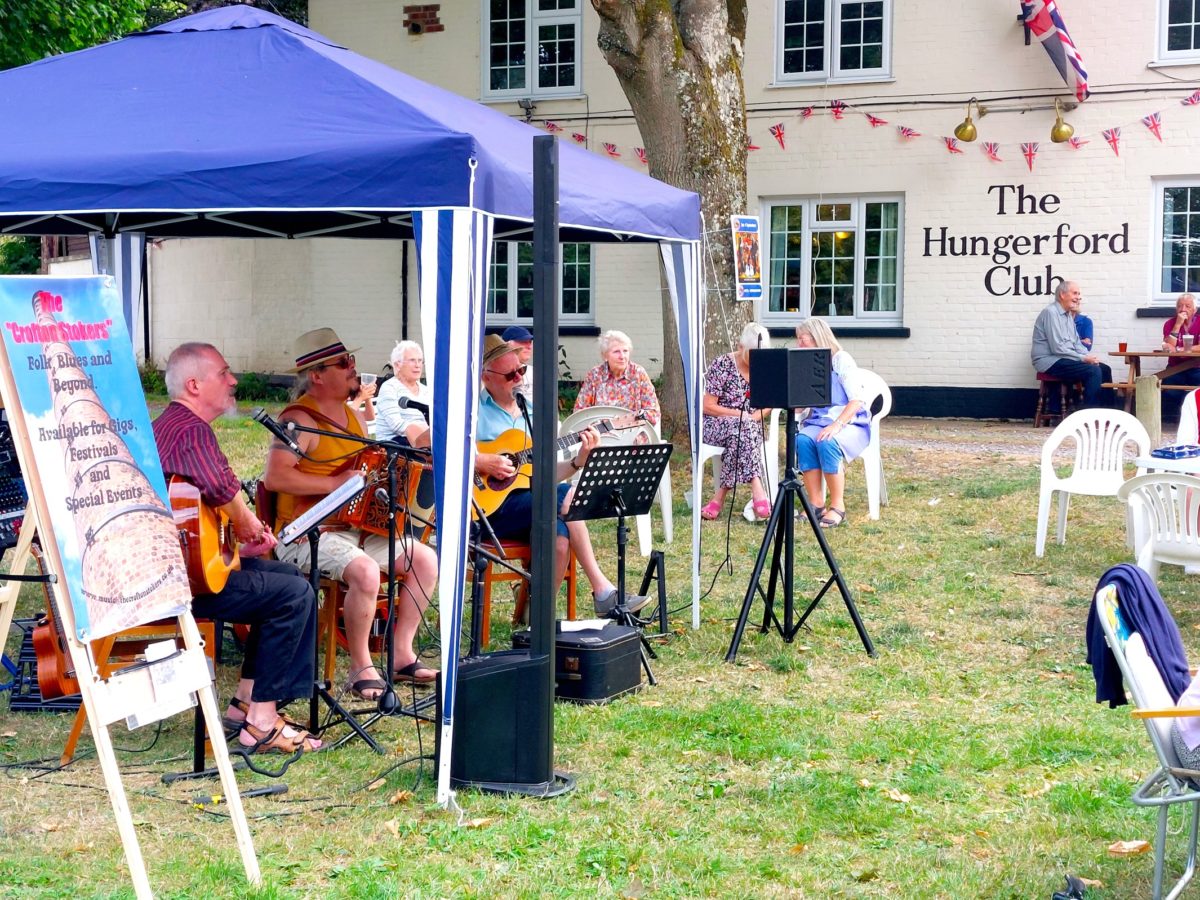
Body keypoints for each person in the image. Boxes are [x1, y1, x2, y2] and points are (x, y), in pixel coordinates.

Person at [153, 342, 322, 754]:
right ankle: (261, 723)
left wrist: (230, 551)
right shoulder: (189, 429)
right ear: (194, 385)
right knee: (293, 594)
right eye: (224, 373)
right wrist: (250, 529)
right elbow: (220, 490)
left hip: (184, 571)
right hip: (179, 588)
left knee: (284, 578)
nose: (233, 381)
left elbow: (190, 518)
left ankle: (245, 700)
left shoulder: (171, 425)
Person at [264, 328, 438, 701]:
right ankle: (361, 666)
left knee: (423, 558)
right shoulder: (296, 419)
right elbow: (275, 476)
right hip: (304, 533)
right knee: (364, 570)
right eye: (344, 363)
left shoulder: (353, 416)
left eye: (351, 360)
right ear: (316, 375)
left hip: (354, 529)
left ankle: (402, 654)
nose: (353, 368)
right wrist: (336, 484)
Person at [475, 334, 647, 616]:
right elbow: (438, 449)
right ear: (486, 378)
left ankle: (537, 620)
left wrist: (579, 461)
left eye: (521, 370)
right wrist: (482, 461)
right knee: (566, 496)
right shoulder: (472, 412)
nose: (519, 378)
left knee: (560, 540)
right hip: (490, 509)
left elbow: (545, 475)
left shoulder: (532, 412)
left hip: (532, 502)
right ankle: (602, 591)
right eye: (510, 374)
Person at [793, 318, 871, 529]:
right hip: (820, 421)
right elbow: (804, 404)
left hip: (850, 422)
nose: (799, 344)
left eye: (803, 339)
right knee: (803, 440)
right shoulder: (810, 365)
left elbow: (857, 400)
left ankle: (838, 506)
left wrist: (836, 425)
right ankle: (816, 503)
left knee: (827, 442)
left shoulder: (840, 359)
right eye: (798, 339)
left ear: (817, 337)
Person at [699, 322, 773, 521]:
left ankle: (719, 496)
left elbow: (768, 404)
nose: (756, 361)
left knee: (741, 433)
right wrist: (738, 416)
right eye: (752, 355)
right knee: (739, 429)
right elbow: (708, 406)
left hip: (750, 426)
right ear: (740, 347)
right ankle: (757, 486)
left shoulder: (766, 365)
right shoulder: (722, 364)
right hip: (716, 423)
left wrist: (751, 418)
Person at [1031, 280, 1113, 409]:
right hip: (1049, 360)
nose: (1078, 297)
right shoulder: (1051, 313)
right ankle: (1089, 415)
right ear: (1062, 295)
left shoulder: (1068, 315)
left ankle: (1107, 413)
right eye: (1075, 293)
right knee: (1093, 371)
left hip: (1063, 358)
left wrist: (1089, 356)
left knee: (1104, 369)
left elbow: (1076, 342)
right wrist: (1084, 359)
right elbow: (1057, 348)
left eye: (1079, 294)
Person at [572, 329, 661, 427]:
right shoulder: (595, 375)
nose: (622, 356)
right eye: (616, 352)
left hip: (633, 436)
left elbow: (653, 413)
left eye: (625, 351)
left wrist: (623, 423)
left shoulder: (639, 374)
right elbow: (579, 412)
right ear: (605, 355)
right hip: (601, 438)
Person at [375, 340, 431, 448]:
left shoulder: (426, 391)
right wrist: (425, 436)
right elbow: (397, 425)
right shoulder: (389, 387)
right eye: (412, 360)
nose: (418, 365)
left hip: (422, 445)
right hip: (394, 448)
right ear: (397, 364)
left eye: (420, 361)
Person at [501, 324, 534, 403]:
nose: (529, 346)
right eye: (524, 342)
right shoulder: (495, 375)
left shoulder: (533, 373)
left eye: (530, 342)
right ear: (507, 345)